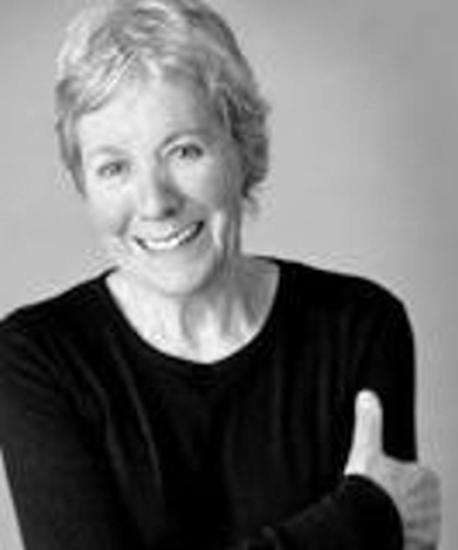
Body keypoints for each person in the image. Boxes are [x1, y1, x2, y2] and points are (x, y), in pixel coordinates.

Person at [0, 0, 440, 549]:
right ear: (83, 185)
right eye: (114, 168)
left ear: (242, 148)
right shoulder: (37, 357)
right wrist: (358, 519)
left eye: (184, 151)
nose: (155, 202)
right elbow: (381, 524)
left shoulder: (358, 328)